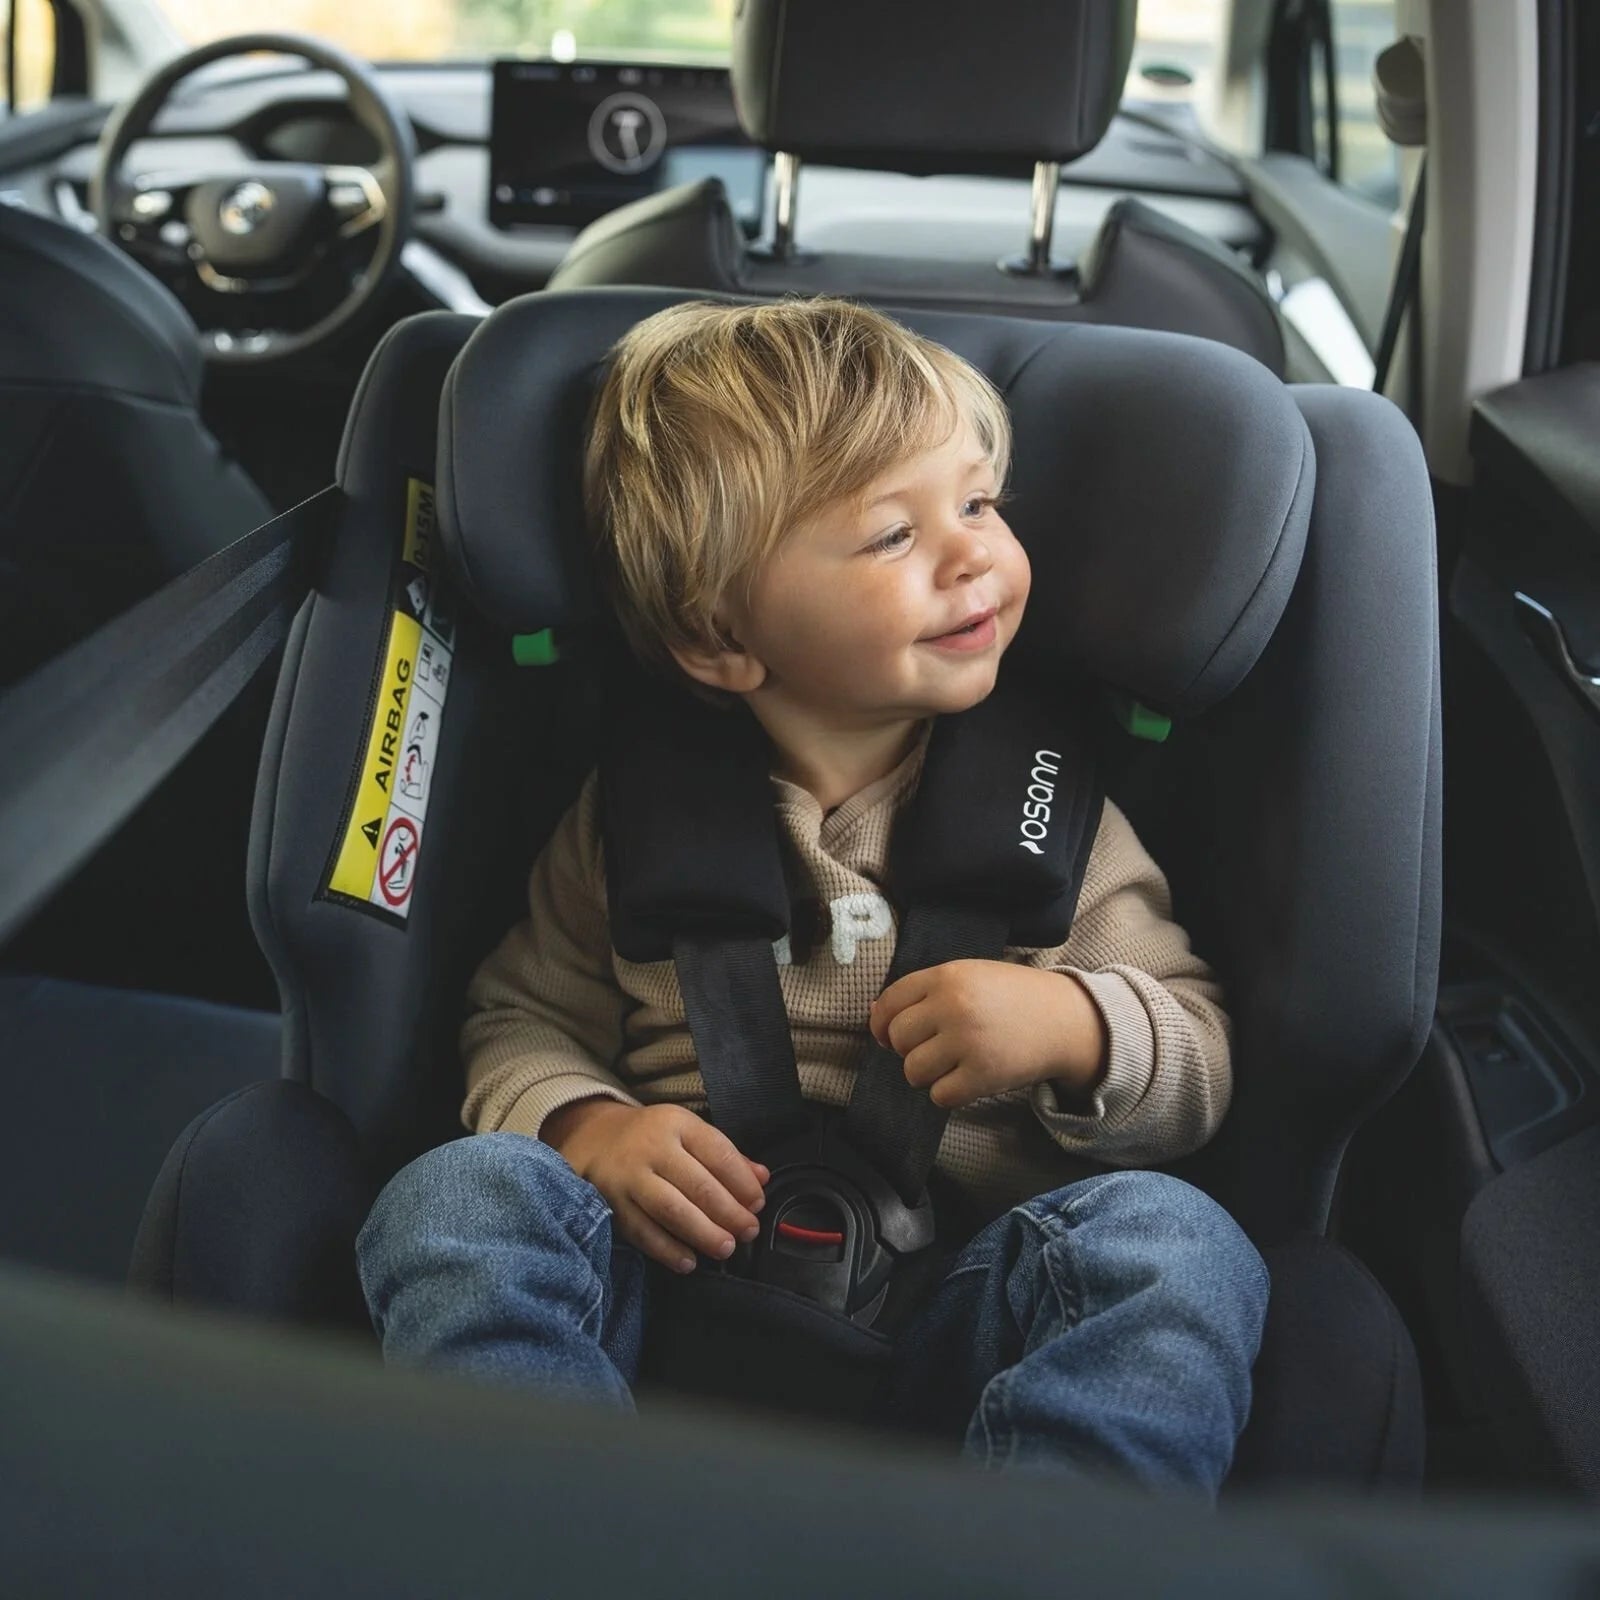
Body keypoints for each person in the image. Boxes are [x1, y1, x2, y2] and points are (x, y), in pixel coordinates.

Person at [355, 297, 1269, 1498]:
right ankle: (554, 1527)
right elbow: (521, 1019)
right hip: (659, 1298)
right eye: (893, 534)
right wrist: (587, 1128)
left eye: (979, 502)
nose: (971, 555)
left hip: (967, 1306)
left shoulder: (1053, 820)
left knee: (1176, 1246)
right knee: (456, 1194)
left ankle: (1045, 1554)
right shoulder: (633, 819)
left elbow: (1198, 1059)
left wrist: (1076, 1029)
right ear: (720, 636)